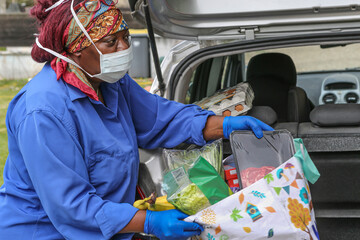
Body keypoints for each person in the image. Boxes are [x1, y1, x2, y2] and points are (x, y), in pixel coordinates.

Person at [0, 0, 273, 239]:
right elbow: (72, 206)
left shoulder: (111, 83)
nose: (123, 48)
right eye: (111, 42)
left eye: (125, 37)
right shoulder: (42, 112)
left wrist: (221, 125)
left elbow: (161, 119)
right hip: (42, 232)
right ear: (75, 50)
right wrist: (149, 222)